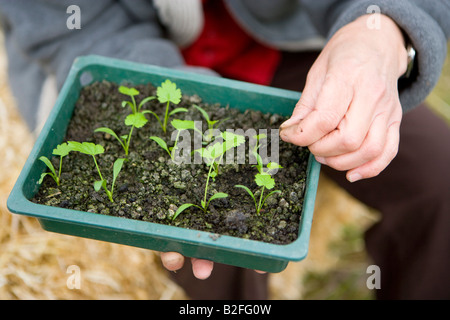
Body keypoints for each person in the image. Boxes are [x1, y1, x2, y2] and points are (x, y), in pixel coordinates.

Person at [0, 0, 449, 299]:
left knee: (440, 180)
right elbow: (78, 29)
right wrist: (193, 112)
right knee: (213, 256)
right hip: (141, 66)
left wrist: (382, 32)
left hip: (299, 52)